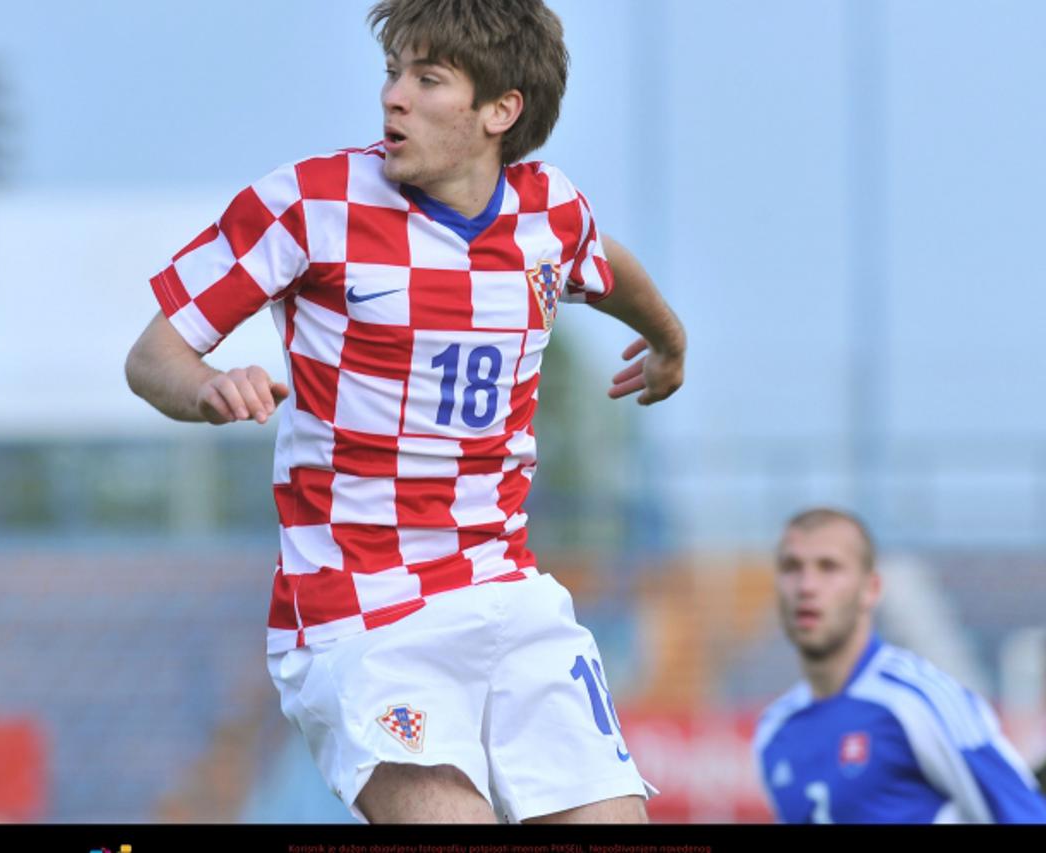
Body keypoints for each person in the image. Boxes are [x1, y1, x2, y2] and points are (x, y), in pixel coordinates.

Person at [126, 0, 686, 824]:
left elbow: (606, 266)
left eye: (428, 79)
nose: (394, 96)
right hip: (362, 610)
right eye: (394, 73)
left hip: (507, 591)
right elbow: (152, 355)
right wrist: (205, 385)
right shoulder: (309, 205)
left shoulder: (549, 214)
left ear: (501, 111)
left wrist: (669, 341)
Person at [753, 508, 1046, 823]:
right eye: (791, 567)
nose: (807, 586)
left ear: (871, 589)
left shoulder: (919, 700)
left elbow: (1024, 813)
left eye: (829, 567)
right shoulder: (774, 729)